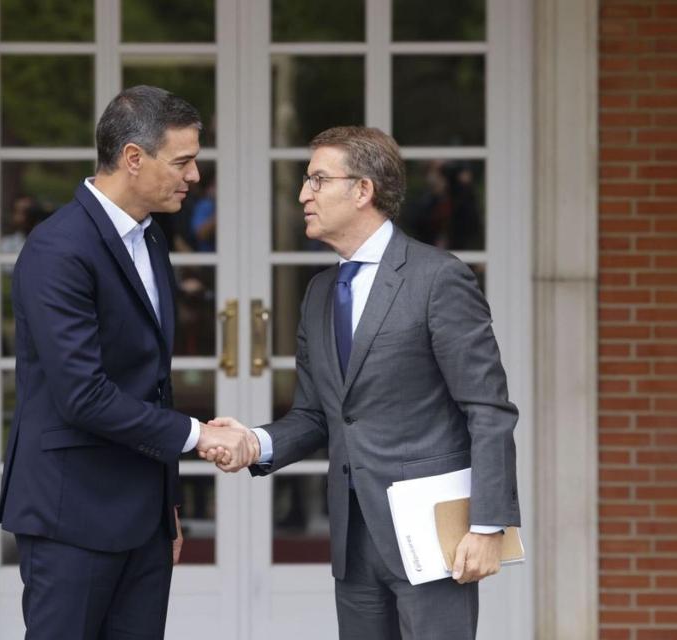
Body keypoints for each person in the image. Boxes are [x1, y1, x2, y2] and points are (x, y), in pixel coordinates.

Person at [205, 126, 520, 640]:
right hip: (353, 540)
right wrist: (253, 443)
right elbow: (316, 415)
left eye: (317, 180)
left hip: (434, 538)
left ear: (363, 190)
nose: (303, 194)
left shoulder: (438, 278)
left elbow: (488, 410)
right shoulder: (320, 293)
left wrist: (487, 527)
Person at [0, 85, 256, 640]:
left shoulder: (152, 239)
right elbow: (83, 394)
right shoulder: (57, 249)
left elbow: (151, 384)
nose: (194, 177)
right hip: (73, 515)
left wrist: (168, 506)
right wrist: (197, 435)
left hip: (143, 519)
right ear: (133, 159)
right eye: (182, 161)